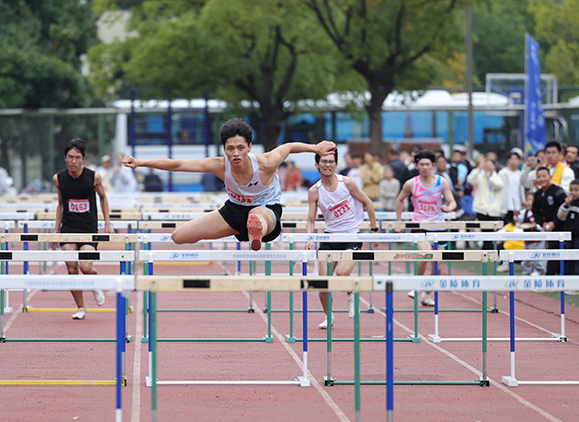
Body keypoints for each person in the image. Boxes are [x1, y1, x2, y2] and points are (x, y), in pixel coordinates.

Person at [122, 118, 335, 250]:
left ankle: (255, 230)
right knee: (179, 237)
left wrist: (315, 148)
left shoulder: (266, 163)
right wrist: (140, 162)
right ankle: (242, 230)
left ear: (250, 147)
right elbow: (178, 164)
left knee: (256, 215)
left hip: (267, 211)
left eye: (240, 148)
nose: (235, 153)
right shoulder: (218, 165)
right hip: (234, 211)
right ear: (223, 147)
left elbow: (288, 147)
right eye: (230, 148)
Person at [306, 150, 378, 328]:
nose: (327, 164)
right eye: (324, 161)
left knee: (342, 273)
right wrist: (309, 238)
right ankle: (328, 316)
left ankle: (350, 293)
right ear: (317, 165)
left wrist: (374, 229)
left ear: (336, 164)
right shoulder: (314, 191)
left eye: (331, 161)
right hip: (330, 237)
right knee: (322, 284)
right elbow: (311, 219)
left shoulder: (347, 183)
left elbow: (368, 203)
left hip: (351, 235)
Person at [53, 138, 113, 320]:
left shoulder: (93, 177)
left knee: (85, 266)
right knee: (71, 267)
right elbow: (61, 204)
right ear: (65, 158)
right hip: (69, 227)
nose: (73, 161)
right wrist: (56, 229)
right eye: (70, 157)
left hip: (88, 227)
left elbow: (103, 198)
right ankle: (81, 307)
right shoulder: (59, 179)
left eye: (77, 157)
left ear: (83, 159)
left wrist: (107, 224)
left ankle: (94, 284)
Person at [395, 150, 457, 306]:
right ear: (416, 166)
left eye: (427, 164)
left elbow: (452, 201)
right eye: (421, 164)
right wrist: (399, 222)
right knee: (425, 254)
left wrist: (449, 208)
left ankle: (425, 294)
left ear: (433, 165)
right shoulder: (411, 183)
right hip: (419, 225)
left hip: (438, 226)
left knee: (439, 267)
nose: (424, 167)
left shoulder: (441, 182)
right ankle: (416, 287)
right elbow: (399, 200)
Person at [533, 166, 567, 275]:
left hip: (561, 227)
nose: (542, 179)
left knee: (558, 252)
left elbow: (565, 208)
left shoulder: (558, 191)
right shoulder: (537, 194)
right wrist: (543, 224)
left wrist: (554, 223)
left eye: (544, 176)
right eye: (539, 177)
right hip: (546, 229)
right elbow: (535, 212)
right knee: (550, 251)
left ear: (550, 177)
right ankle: (550, 275)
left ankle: (553, 276)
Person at [467, 156, 504, 250]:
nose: (487, 166)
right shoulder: (479, 175)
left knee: (492, 231)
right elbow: (470, 179)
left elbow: (499, 185)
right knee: (484, 230)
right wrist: (479, 168)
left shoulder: (496, 176)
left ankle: (490, 248)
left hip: (493, 208)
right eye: (486, 164)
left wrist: (490, 177)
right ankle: (486, 249)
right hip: (482, 208)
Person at [515, 192, 545, 276]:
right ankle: (526, 272)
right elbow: (518, 221)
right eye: (527, 200)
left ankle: (539, 272)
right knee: (526, 258)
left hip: (536, 240)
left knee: (536, 257)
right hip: (527, 240)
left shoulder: (538, 213)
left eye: (531, 200)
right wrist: (516, 215)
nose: (529, 202)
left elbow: (541, 226)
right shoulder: (524, 212)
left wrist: (536, 225)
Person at [557, 180, 579, 277]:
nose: (573, 193)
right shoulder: (568, 203)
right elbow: (560, 216)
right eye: (571, 190)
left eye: (576, 190)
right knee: (568, 258)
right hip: (569, 235)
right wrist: (565, 205)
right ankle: (568, 279)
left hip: (578, 236)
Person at [499, 149, 524, 225]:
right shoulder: (503, 173)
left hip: (518, 205)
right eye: (511, 159)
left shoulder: (520, 174)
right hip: (506, 205)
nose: (513, 161)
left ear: (519, 161)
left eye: (516, 159)